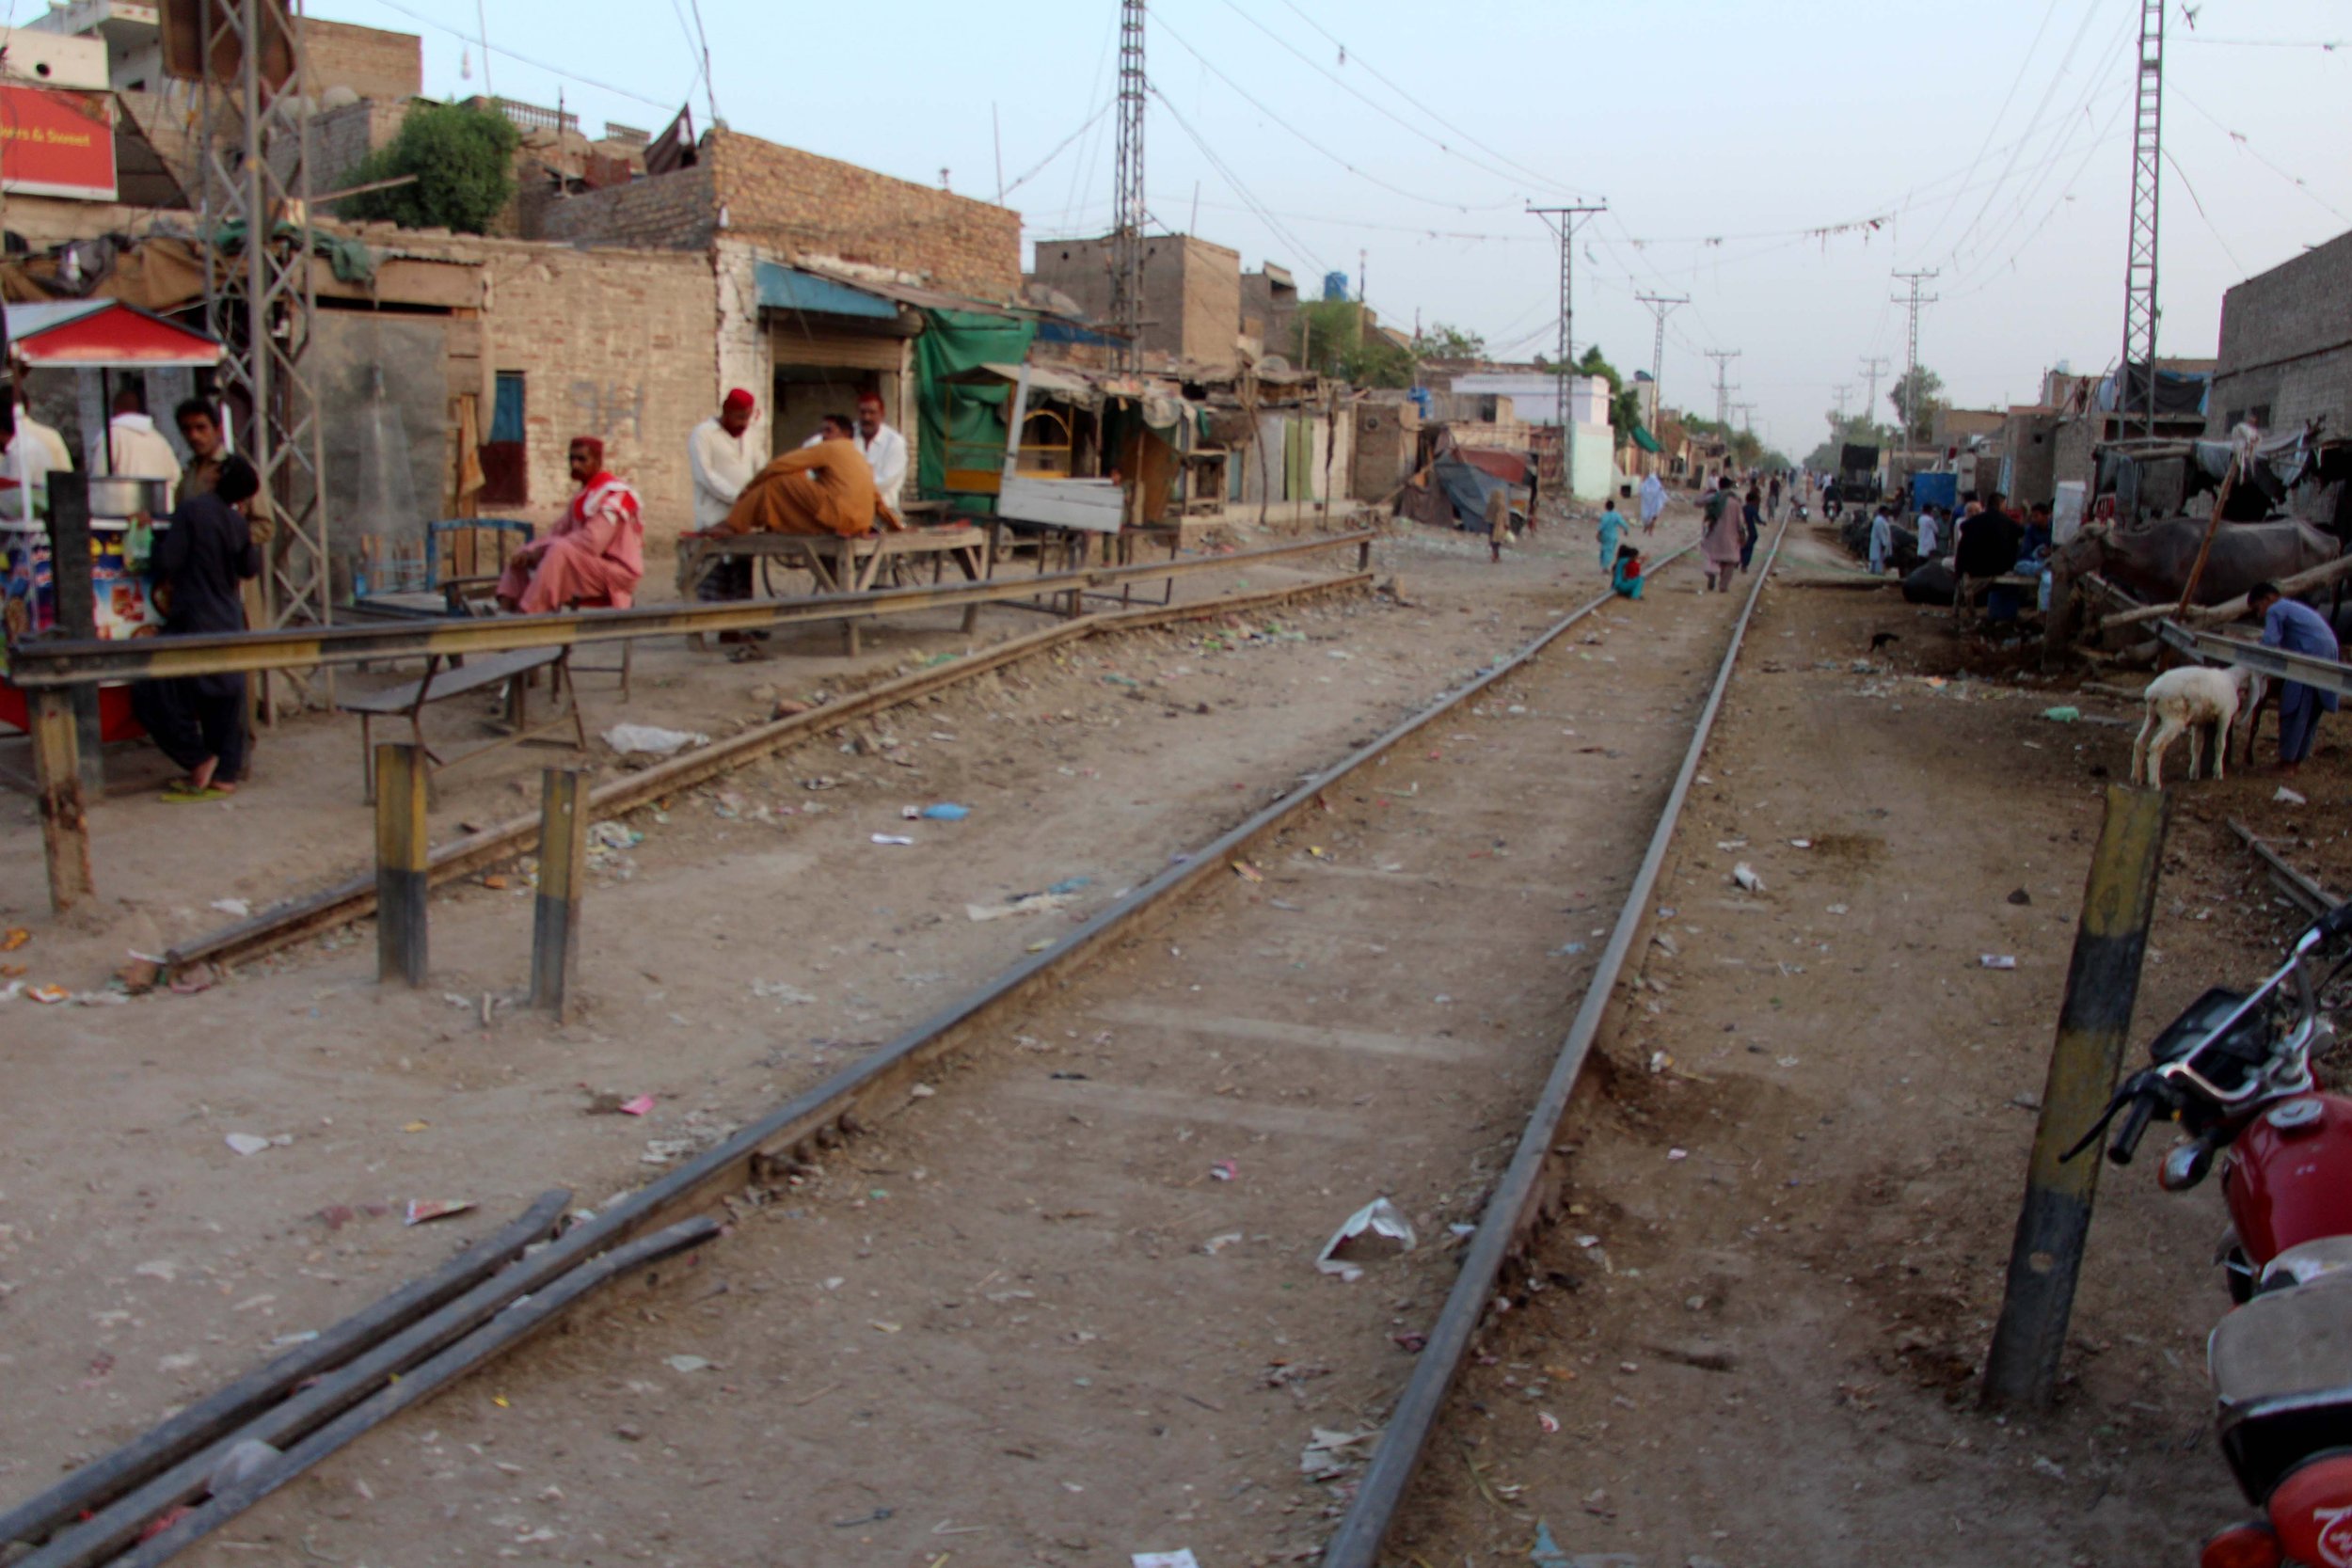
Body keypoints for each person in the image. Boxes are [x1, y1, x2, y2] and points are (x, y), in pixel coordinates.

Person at [132, 454, 263, 800]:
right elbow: (250, 567)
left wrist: (146, 533)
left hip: (194, 617)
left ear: (216, 475)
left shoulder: (192, 510)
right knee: (223, 697)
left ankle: (198, 759)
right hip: (229, 617)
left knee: (151, 689)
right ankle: (225, 773)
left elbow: (168, 560)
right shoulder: (236, 522)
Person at [495, 436, 645, 613]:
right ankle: (505, 609)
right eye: (572, 459)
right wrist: (530, 552)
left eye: (582, 459)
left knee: (559, 550)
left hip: (618, 574)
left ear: (597, 461)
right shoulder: (583, 496)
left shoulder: (615, 494)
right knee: (524, 553)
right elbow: (557, 532)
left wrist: (545, 549)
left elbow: (592, 543)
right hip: (589, 566)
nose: (575, 465)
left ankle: (529, 611)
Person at [720, 414, 902, 539]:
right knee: (795, 480)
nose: (823, 436)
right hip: (859, 524)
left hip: (839, 518)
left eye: (829, 430)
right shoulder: (858, 456)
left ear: (845, 434)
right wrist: (896, 527)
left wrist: (750, 487)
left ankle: (733, 524)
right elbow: (876, 498)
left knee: (776, 482)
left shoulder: (831, 448)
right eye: (822, 431)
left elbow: (779, 464)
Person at [2250, 581, 2340, 773]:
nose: (2259, 615)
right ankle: (2295, 761)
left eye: (2258, 608)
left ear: (2267, 599)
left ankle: (2287, 763)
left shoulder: (2276, 609)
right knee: (2311, 713)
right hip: (2327, 657)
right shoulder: (2293, 607)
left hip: (2308, 661)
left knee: (2295, 708)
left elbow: (2270, 643)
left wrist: (2252, 652)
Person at [689, 388, 758, 601]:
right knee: (716, 574)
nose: (743, 423)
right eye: (739, 417)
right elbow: (705, 475)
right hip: (713, 516)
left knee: (742, 574)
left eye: (747, 417)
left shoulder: (750, 435)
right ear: (726, 412)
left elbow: (760, 468)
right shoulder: (703, 434)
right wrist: (737, 495)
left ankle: (738, 628)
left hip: (743, 520)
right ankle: (714, 625)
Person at [105, 385, 181, 489]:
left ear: (115, 408)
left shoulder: (110, 436)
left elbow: (99, 479)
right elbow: (175, 476)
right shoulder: (159, 439)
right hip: (158, 502)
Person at [850, 390, 908, 515]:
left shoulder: (895, 442)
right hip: (850, 508)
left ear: (882, 414)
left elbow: (885, 481)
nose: (867, 417)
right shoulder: (848, 433)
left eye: (872, 413)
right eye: (863, 412)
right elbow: (817, 444)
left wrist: (848, 489)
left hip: (884, 510)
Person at [173, 398, 230, 506]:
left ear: (218, 430)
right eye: (187, 429)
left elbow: (264, 522)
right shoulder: (188, 474)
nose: (194, 436)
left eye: (201, 428)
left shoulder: (234, 470)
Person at [1700, 477, 1743, 592]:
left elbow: (1697, 502)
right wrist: (1742, 535)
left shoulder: (1714, 498)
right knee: (1729, 562)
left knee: (1712, 558)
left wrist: (1706, 493)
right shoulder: (1735, 502)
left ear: (1719, 485)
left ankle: (1712, 576)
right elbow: (1740, 522)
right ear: (1730, 487)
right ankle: (1723, 585)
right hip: (1731, 536)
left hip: (1714, 534)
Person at [1597, 489, 1628, 569]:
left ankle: (1603, 564)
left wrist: (1598, 534)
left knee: (1604, 549)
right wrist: (1626, 530)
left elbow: (1601, 526)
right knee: (1609, 551)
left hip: (1605, 535)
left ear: (1606, 507)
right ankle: (1606, 566)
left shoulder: (1604, 516)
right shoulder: (1616, 515)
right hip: (1613, 536)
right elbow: (1623, 523)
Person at [1485, 483, 1511, 564]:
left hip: (1491, 523)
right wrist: (1507, 524)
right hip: (1499, 525)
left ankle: (1494, 554)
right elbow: (1505, 516)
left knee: (1492, 540)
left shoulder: (1491, 503)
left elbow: (1487, 515)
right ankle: (1496, 555)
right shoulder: (1502, 504)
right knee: (1498, 541)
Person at [1867, 499, 1895, 576]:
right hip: (1879, 544)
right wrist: (1884, 543)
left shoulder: (1883, 520)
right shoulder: (1879, 520)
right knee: (1877, 560)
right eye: (1887, 512)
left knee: (1878, 560)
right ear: (1884, 511)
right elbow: (1881, 534)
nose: (1888, 513)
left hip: (1881, 544)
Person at [1740, 485, 1764, 572]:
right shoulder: (1753, 509)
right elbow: (1757, 519)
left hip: (1742, 531)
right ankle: (1744, 565)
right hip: (1751, 531)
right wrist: (1762, 522)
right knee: (1749, 549)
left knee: (1741, 547)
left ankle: (1738, 561)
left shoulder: (1743, 508)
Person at [1638, 470, 1668, 535]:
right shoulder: (1646, 486)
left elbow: (1640, 492)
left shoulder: (1646, 486)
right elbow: (1663, 496)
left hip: (1654, 507)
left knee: (1652, 519)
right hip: (1649, 507)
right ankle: (1647, 528)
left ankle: (1650, 531)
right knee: (1648, 518)